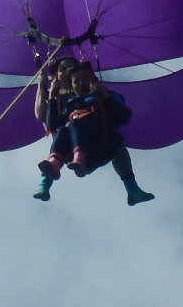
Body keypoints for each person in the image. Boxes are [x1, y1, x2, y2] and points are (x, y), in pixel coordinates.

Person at [32, 57, 155, 206]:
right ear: (56, 75)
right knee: (65, 129)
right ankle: (46, 181)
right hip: (69, 150)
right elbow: (44, 118)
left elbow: (122, 115)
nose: (67, 72)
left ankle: (132, 188)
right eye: (63, 69)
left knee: (115, 142)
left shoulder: (97, 95)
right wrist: (44, 87)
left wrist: (105, 95)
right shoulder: (60, 101)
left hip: (100, 143)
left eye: (72, 68)